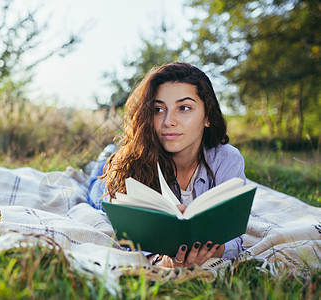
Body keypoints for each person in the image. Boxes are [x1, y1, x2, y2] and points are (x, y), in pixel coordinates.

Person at [87, 62, 246, 268]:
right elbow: (126, 233)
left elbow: (236, 239)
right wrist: (160, 259)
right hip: (110, 174)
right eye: (159, 109)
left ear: (207, 116)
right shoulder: (132, 163)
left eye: (184, 108)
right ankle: (105, 155)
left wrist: (213, 248)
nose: (168, 121)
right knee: (95, 190)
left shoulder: (228, 160)